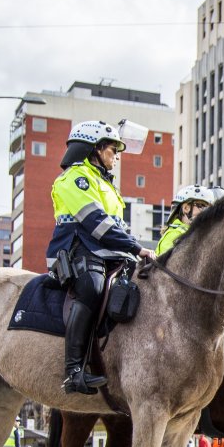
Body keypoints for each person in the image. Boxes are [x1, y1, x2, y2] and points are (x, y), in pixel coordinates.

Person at [47, 120, 156, 394]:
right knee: (92, 287)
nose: (116, 157)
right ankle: (73, 371)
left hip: (107, 253)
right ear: (93, 149)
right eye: (112, 150)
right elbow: (96, 223)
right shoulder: (75, 178)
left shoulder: (106, 184)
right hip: (78, 250)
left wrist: (133, 251)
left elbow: (116, 226)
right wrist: (136, 247)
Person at [155, 184, 217, 256]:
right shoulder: (174, 235)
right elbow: (169, 266)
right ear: (186, 208)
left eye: (208, 208)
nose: (206, 212)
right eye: (202, 206)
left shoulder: (194, 234)